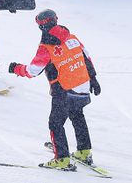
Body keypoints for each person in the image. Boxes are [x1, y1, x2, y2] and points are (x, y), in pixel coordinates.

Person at [8, 9, 101, 171]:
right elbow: (86, 57)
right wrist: (93, 79)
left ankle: (62, 159)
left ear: (41, 26)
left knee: (55, 123)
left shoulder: (46, 46)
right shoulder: (72, 38)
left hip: (64, 89)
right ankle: (84, 152)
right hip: (83, 86)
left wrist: (16, 68)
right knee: (77, 116)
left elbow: (33, 70)